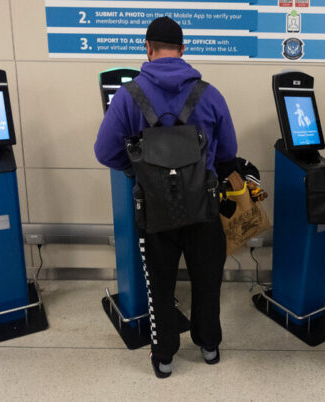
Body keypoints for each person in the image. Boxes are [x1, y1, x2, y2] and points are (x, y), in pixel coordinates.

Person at [94, 16, 238, 378]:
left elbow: (104, 151)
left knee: (159, 283)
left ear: (147, 48)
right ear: (183, 50)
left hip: (154, 209)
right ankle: (209, 347)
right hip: (203, 206)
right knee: (208, 279)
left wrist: (137, 170)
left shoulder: (129, 97)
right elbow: (228, 155)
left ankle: (165, 358)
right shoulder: (209, 93)